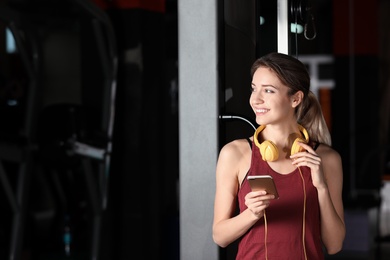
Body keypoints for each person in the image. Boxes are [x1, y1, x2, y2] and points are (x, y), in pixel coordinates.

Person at [212, 52, 345, 259]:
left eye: (268, 90)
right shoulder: (234, 154)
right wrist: (251, 214)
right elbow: (220, 236)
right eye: (254, 89)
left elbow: (335, 244)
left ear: (296, 98)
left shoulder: (326, 159)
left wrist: (321, 187)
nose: (256, 99)